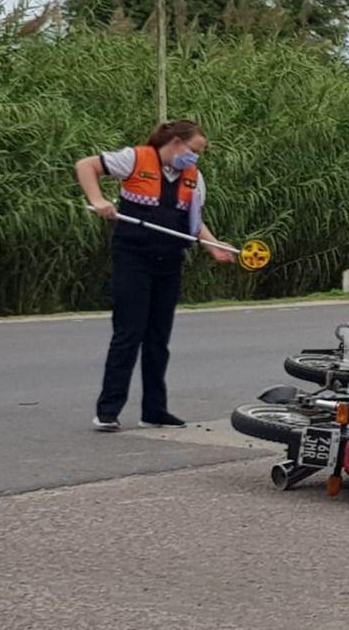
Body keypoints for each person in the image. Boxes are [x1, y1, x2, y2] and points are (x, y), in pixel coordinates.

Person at [76, 120, 235, 432]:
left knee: (158, 338)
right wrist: (98, 200)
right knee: (128, 333)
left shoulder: (193, 177)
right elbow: (86, 166)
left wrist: (213, 246)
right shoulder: (135, 158)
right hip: (133, 258)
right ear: (176, 142)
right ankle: (107, 411)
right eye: (193, 151)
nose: (195, 158)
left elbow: (193, 220)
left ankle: (154, 410)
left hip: (170, 260)